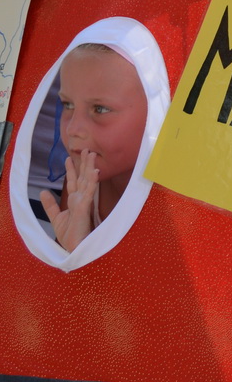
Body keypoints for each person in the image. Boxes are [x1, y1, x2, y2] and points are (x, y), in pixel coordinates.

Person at [39, 42, 149, 253]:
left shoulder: (173, 201)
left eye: (100, 108)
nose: (73, 129)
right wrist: (74, 248)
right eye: (68, 105)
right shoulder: (81, 181)